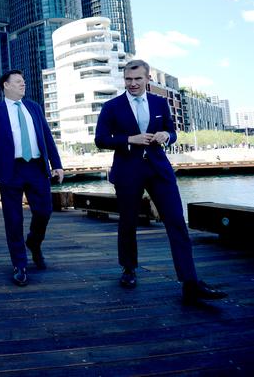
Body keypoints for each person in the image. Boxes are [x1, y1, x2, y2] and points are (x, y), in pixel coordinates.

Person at [95, 59, 227, 303]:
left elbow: (172, 132)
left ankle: (190, 282)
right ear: (124, 80)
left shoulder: (160, 103)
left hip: (159, 170)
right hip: (127, 171)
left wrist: (167, 135)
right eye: (128, 79)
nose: (132, 84)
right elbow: (101, 139)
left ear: (147, 79)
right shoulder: (111, 107)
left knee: (176, 221)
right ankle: (128, 269)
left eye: (137, 79)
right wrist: (129, 139)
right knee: (127, 223)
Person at [0, 70, 64, 287]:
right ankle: (20, 264)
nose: (22, 85)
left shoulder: (34, 108)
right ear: (6, 85)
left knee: (44, 211)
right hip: (11, 170)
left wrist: (57, 165)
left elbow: (47, 137)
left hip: (36, 167)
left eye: (23, 82)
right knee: (13, 220)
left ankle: (34, 243)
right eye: (18, 82)